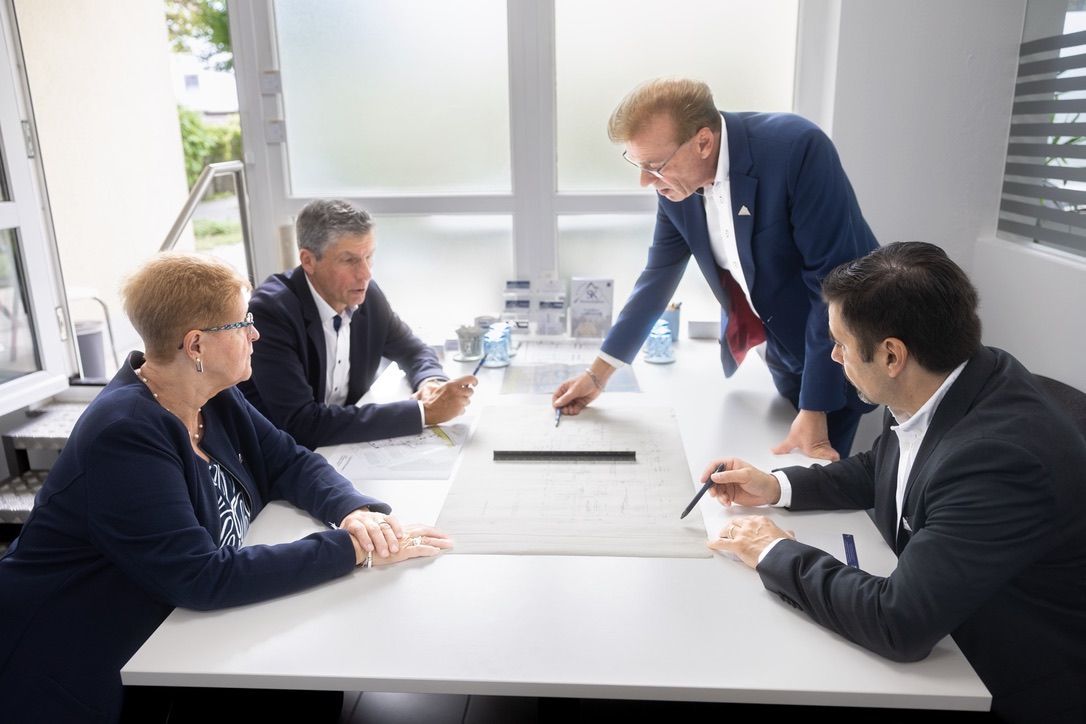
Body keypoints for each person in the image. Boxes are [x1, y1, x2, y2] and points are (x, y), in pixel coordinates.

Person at [0, 253, 452, 723]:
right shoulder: (124, 435)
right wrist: (352, 548)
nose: (255, 334)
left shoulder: (212, 396)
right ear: (196, 344)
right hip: (86, 661)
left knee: (313, 682)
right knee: (305, 690)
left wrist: (354, 512)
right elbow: (200, 576)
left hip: (174, 629)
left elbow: (289, 460)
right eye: (243, 323)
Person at [702, 242, 1086, 724]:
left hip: (1002, 681)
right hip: (955, 631)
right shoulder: (946, 380)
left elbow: (897, 622)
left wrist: (771, 550)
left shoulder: (998, 460)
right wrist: (776, 486)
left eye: (841, 344)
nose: (834, 356)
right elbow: (882, 466)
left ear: (891, 355)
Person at [553, 77, 878, 459]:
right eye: (638, 165)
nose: (645, 181)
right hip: (783, 351)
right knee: (777, 475)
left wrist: (815, 406)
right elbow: (656, 279)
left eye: (654, 166)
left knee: (822, 480)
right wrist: (597, 375)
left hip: (841, 353)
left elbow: (832, 287)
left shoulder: (797, 149)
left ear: (703, 142)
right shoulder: (675, 186)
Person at [240, 199, 475, 450]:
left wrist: (431, 384)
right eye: (349, 260)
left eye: (369, 257)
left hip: (340, 446)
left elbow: (413, 350)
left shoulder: (366, 296)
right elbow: (301, 423)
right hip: (280, 453)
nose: (365, 273)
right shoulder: (271, 312)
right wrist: (423, 412)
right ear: (308, 261)